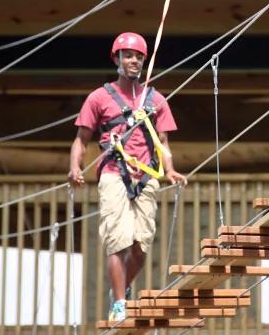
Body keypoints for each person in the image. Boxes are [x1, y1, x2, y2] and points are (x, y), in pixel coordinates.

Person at [68, 32, 186, 321]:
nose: (134, 61)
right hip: (113, 173)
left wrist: (169, 169)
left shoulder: (155, 99)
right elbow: (81, 139)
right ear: (116, 59)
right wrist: (74, 167)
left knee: (141, 245)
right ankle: (120, 302)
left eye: (138, 57)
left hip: (145, 176)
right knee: (117, 241)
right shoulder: (100, 98)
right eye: (128, 55)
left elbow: (163, 144)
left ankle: (122, 287)